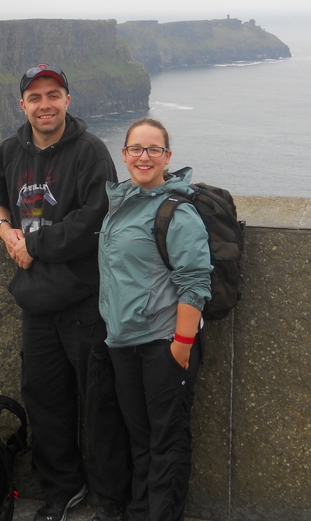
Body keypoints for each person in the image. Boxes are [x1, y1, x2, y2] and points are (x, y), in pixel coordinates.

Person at [0, 63, 131, 521]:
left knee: (100, 403)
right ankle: (62, 490)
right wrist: (6, 232)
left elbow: (93, 221)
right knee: (44, 401)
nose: (45, 104)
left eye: (54, 95)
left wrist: (34, 244)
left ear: (68, 100)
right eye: (36, 97)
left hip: (84, 302)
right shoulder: (11, 150)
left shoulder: (89, 151)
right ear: (22, 104)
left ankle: (111, 500)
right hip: (36, 303)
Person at [97, 118, 213, 521]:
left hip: (163, 342)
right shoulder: (124, 200)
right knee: (142, 439)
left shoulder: (175, 211)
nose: (143, 157)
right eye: (135, 149)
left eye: (153, 150)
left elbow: (195, 282)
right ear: (124, 154)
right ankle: (140, 511)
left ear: (167, 157)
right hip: (124, 342)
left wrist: (181, 345)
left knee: (167, 441)